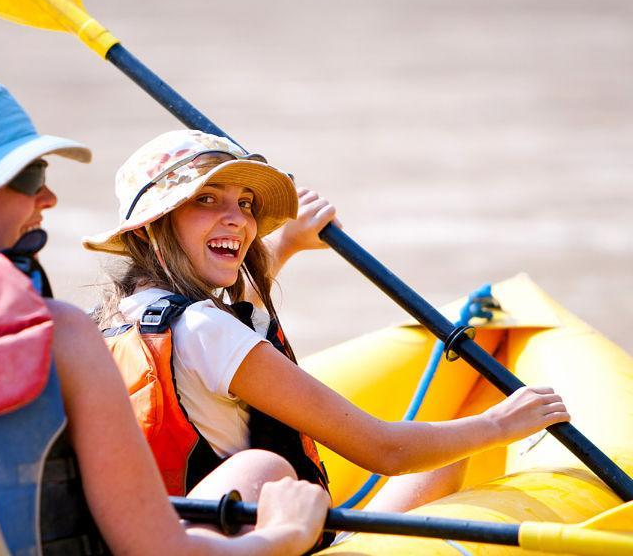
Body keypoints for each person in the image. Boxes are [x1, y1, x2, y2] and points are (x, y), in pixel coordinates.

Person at [0, 78, 329, 556]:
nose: (47, 198)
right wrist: (281, 535)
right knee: (262, 467)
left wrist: (275, 250)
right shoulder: (57, 334)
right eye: (30, 178)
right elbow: (158, 549)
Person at [83, 129, 572, 515]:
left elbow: (227, 312)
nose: (238, 219)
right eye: (207, 199)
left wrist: (289, 240)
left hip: (175, 530)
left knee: (446, 458)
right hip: (250, 538)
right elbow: (385, 451)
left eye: (246, 203)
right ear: (152, 225)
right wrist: (500, 423)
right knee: (452, 450)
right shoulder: (206, 331)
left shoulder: (115, 318)